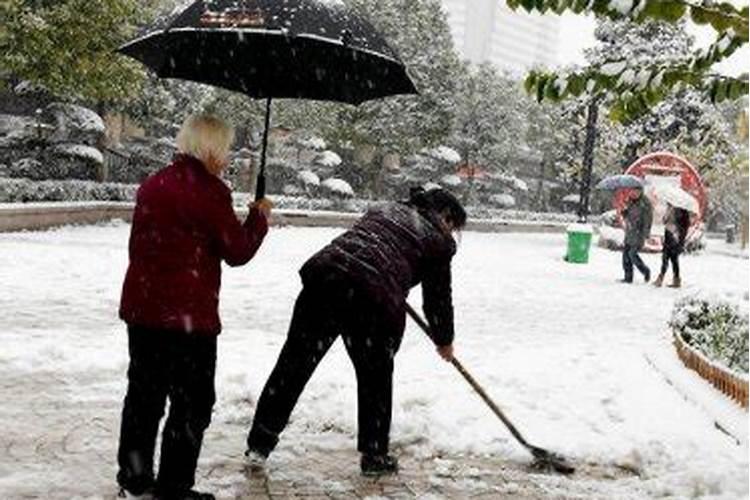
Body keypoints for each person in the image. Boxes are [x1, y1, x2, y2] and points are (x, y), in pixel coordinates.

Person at [244, 187, 466, 477]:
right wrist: (444, 340)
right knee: (375, 376)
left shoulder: (385, 209)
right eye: (454, 226)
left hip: (326, 277)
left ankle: (258, 445)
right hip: (372, 298)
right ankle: (374, 455)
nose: (452, 233)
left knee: (294, 364)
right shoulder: (437, 239)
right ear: (445, 216)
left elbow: (373, 247)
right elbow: (438, 298)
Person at [117, 114, 272, 500]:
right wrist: (259, 218)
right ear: (211, 148)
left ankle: (135, 481)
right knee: (191, 403)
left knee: (143, 398)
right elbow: (236, 251)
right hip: (188, 319)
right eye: (226, 148)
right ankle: (174, 486)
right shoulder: (209, 191)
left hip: (144, 311)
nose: (227, 156)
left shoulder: (154, 184)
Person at [654, 204, 691, 288]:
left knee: (673, 259)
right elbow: (664, 221)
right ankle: (663, 278)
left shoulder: (682, 211)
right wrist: (666, 217)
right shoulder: (669, 208)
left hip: (675, 237)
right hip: (668, 235)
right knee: (666, 258)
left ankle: (674, 280)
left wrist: (680, 238)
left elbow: (685, 226)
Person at [620, 187, 653, 283]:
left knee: (632, 254)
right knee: (626, 256)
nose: (633, 193)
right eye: (631, 191)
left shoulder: (645, 204)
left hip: (639, 233)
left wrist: (646, 234)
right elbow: (629, 215)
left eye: (635, 191)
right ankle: (628, 277)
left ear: (640, 192)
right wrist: (624, 213)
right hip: (630, 232)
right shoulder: (630, 201)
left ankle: (645, 271)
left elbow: (648, 220)